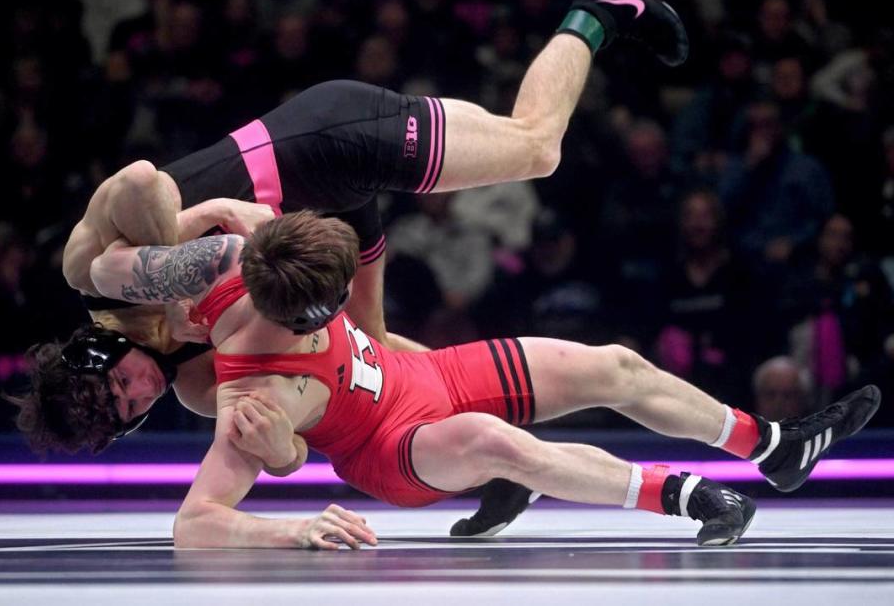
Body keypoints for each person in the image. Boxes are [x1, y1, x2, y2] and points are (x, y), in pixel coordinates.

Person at [15, 0, 691, 536]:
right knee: (378, 345)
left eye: (120, 384)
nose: (142, 393)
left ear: (97, 350)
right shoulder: (193, 385)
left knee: (536, 148)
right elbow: (304, 427)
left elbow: (140, 179)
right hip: (323, 229)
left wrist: (198, 231)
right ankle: (504, 468)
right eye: (132, 411)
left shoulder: (97, 274)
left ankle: (596, 8)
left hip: (318, 148)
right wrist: (282, 455)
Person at [81, 211, 879, 549]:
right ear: (297, 313)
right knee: (501, 442)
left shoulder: (231, 256)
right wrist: (286, 526)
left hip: (423, 369)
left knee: (614, 364)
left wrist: (156, 244)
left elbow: (108, 260)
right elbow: (195, 522)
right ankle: (686, 493)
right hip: (395, 446)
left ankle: (771, 445)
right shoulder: (246, 402)